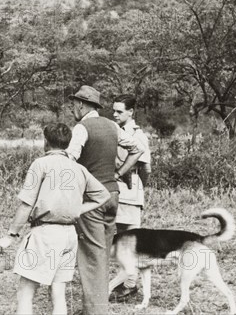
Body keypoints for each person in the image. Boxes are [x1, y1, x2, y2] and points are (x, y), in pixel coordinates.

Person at [0, 123, 111, 315]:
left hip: (45, 234)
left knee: (26, 292)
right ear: (67, 143)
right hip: (69, 235)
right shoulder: (78, 168)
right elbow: (104, 195)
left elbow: (26, 205)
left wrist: (11, 235)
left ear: (46, 142)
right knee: (58, 293)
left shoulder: (40, 164)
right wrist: (77, 209)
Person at [65, 85, 146, 315]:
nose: (72, 109)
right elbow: (137, 149)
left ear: (81, 104)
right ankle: (93, 306)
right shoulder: (112, 125)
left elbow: (70, 160)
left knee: (91, 257)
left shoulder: (82, 128)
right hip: (113, 197)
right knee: (101, 255)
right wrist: (118, 174)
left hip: (92, 199)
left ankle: (95, 311)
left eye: (74, 105)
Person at [109, 94, 152, 302]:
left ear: (131, 112)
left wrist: (137, 187)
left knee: (130, 240)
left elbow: (146, 168)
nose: (115, 114)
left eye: (119, 111)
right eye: (114, 110)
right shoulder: (114, 130)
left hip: (129, 191)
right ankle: (124, 281)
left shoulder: (137, 135)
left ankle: (130, 285)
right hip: (113, 191)